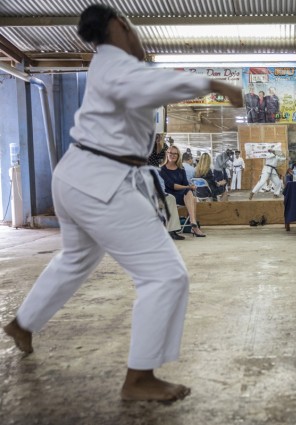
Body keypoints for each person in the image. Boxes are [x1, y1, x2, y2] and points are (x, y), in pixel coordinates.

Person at [1, 3, 243, 403]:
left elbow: (144, 86)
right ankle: (140, 377)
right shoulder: (115, 64)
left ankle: (23, 323)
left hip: (79, 174)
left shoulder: (106, 64)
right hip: (101, 180)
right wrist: (211, 85)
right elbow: (145, 86)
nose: (138, 36)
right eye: (132, 27)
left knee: (75, 260)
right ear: (118, 26)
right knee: (165, 276)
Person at [160, 146, 206, 237]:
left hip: (183, 195)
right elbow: (171, 185)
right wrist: (188, 186)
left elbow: (185, 183)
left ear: (178, 156)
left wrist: (189, 187)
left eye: (175, 154)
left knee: (190, 194)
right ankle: (194, 225)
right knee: (191, 196)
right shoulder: (162, 169)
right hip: (170, 196)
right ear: (167, 154)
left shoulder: (181, 169)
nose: (172, 155)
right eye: (170, 153)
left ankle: (193, 222)